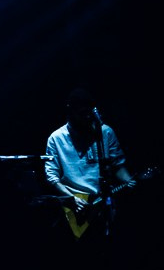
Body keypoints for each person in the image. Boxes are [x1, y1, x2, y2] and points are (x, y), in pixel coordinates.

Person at [43, 89, 137, 233]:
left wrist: (129, 180)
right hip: (75, 205)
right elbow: (52, 177)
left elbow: (118, 165)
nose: (86, 118)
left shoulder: (105, 132)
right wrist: (71, 198)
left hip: (104, 202)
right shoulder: (56, 138)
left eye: (88, 113)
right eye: (81, 114)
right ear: (71, 111)